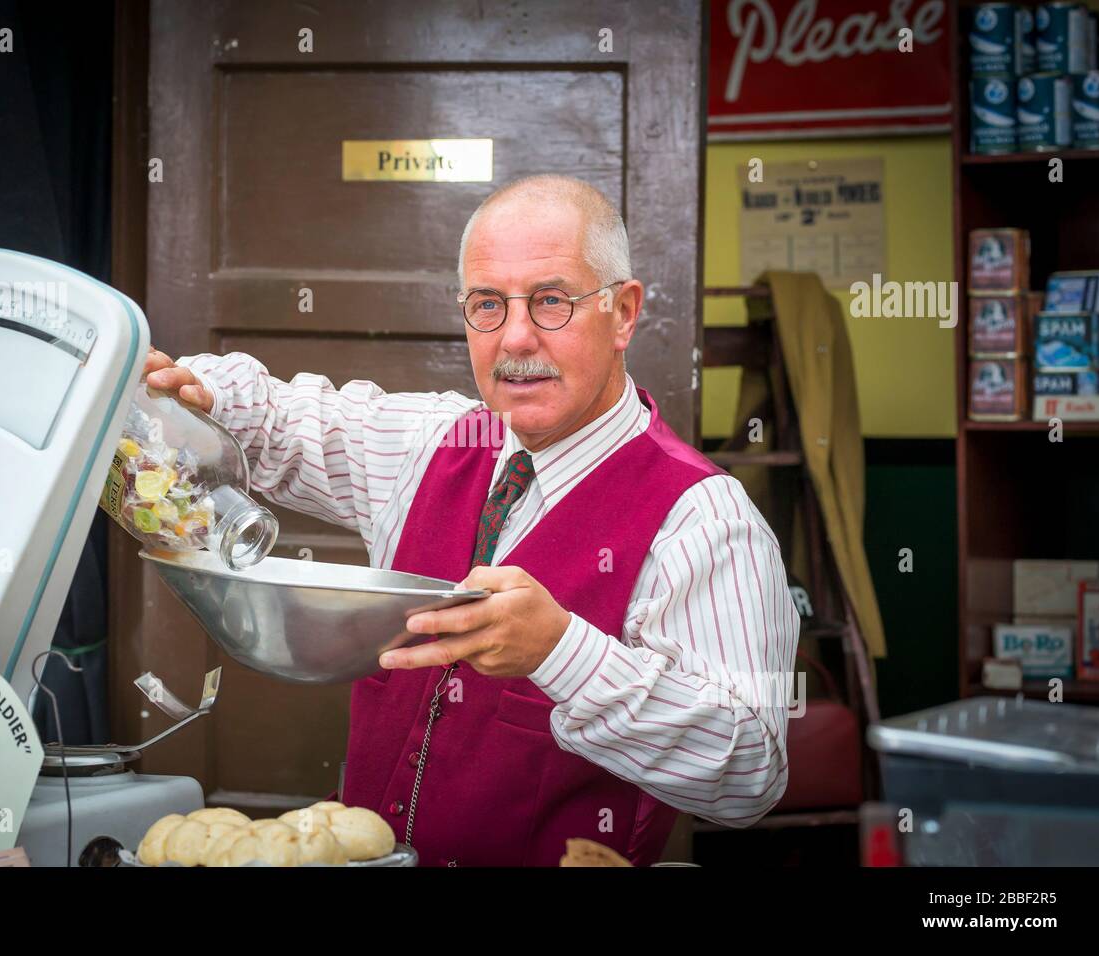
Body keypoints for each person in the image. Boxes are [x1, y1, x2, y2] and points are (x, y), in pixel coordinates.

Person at [144, 174, 799, 866]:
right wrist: (193, 394)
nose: (516, 338)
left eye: (551, 301)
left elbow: (750, 775)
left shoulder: (702, 518)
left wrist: (562, 654)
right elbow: (279, 419)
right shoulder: (434, 441)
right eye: (489, 304)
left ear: (624, 312)